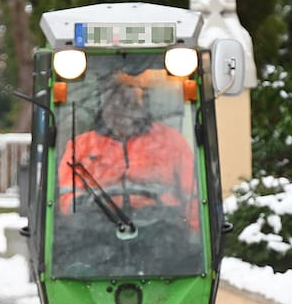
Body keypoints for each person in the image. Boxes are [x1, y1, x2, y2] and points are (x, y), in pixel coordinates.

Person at [56, 79, 197, 225]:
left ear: (141, 107)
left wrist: (193, 235)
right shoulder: (81, 146)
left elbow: (193, 194)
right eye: (114, 105)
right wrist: (86, 205)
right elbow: (66, 197)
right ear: (103, 108)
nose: (122, 112)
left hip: (163, 231)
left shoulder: (170, 141)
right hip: (96, 232)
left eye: (130, 104)